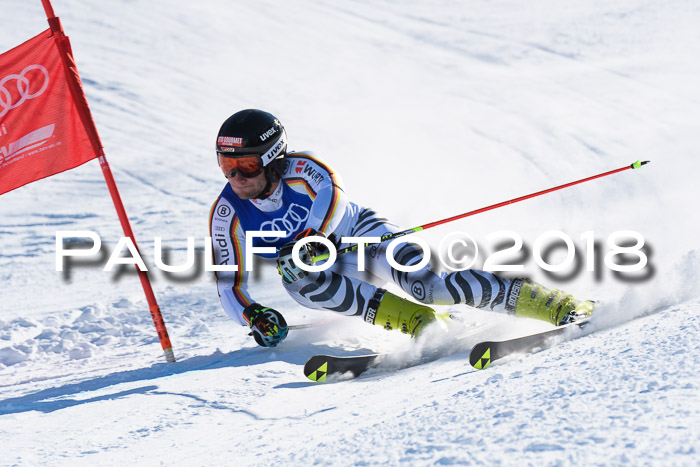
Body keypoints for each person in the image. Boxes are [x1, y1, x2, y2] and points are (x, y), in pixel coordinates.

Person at [209, 109, 593, 348]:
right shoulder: (228, 213)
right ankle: (421, 324)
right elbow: (229, 284)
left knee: (431, 286)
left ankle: (555, 305)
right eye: (227, 167)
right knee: (301, 278)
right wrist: (253, 316)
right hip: (321, 274)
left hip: (363, 235)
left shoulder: (300, 170)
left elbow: (332, 188)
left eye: (246, 166)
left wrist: (315, 235)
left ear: (274, 158)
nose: (237, 177)